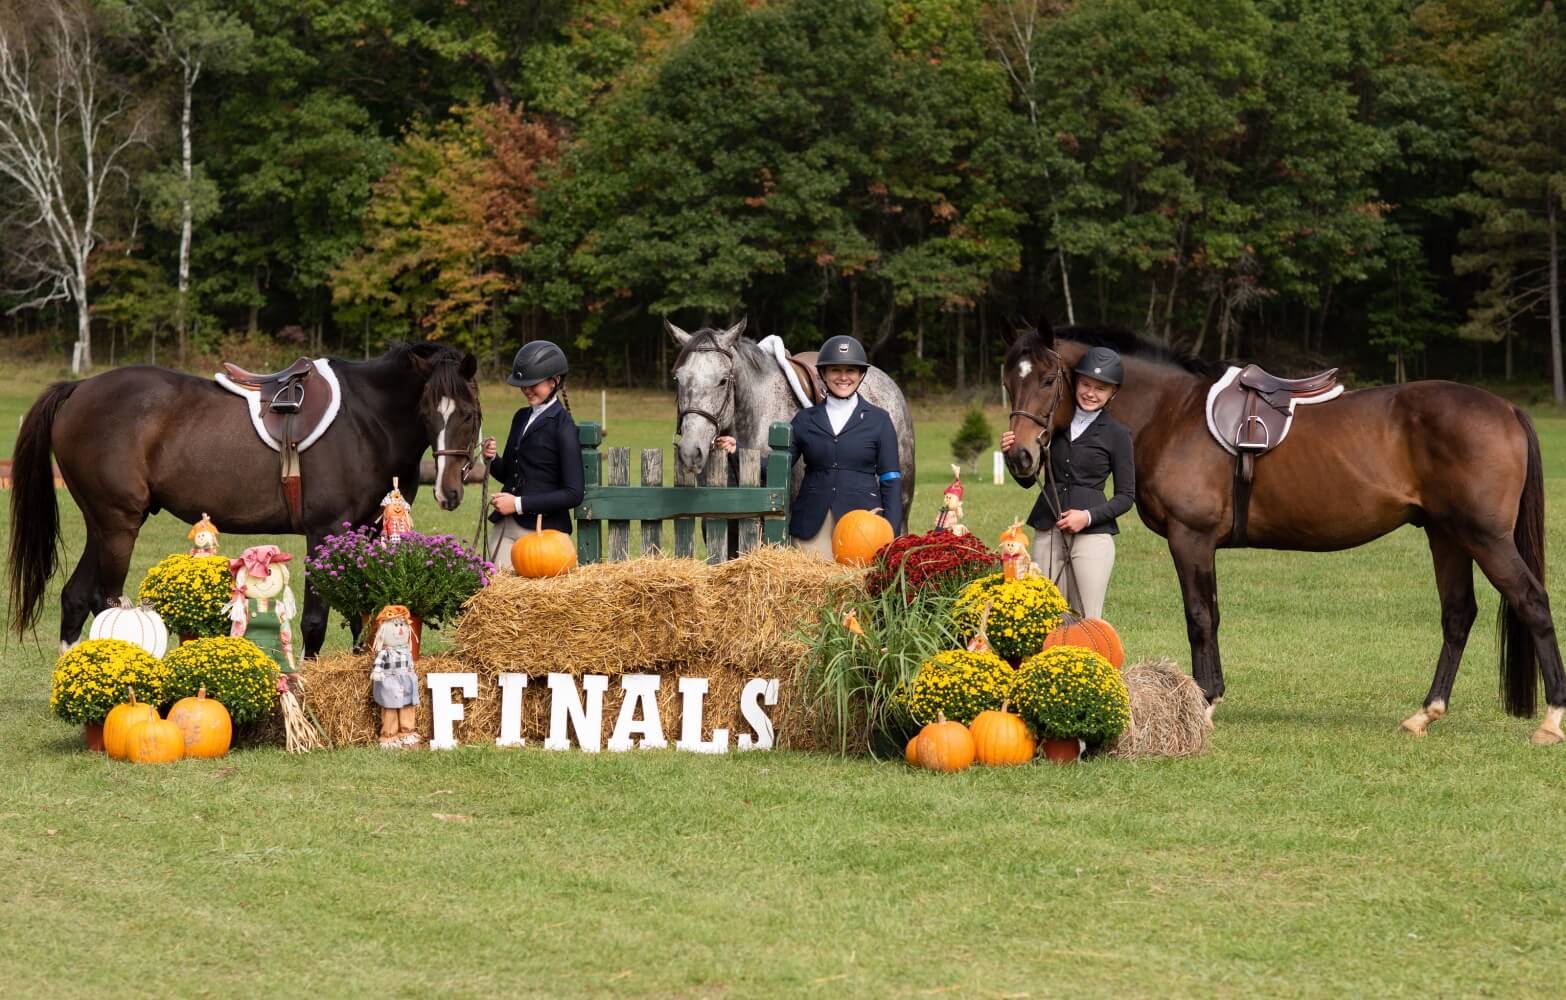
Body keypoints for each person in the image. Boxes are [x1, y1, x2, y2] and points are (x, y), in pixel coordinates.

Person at [1000, 345, 1135, 619]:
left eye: (1101, 388)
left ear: (1113, 394)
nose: (1090, 393)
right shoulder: (1053, 426)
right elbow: (1029, 482)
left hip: (1092, 536)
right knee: (1045, 615)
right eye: (1085, 384)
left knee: (1088, 618)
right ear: (1074, 383)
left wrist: (1086, 517)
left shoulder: (1117, 435)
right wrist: (1009, 455)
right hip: (1047, 530)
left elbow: (1126, 496)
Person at [783, 334, 903, 558]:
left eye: (851, 370)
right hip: (812, 523)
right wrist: (736, 450)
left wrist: (890, 532)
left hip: (864, 525)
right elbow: (778, 466)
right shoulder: (804, 420)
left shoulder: (879, 420)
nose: (843, 377)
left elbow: (891, 480)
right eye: (835, 370)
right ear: (823, 374)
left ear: (861, 375)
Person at [480, 341, 585, 574]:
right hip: (505, 526)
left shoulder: (563, 425)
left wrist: (517, 504)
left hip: (541, 534)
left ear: (554, 381)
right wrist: (491, 458)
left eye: (532, 384)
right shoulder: (520, 417)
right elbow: (508, 472)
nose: (526, 390)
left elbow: (574, 493)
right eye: (522, 385)